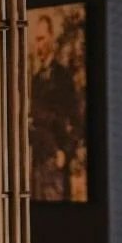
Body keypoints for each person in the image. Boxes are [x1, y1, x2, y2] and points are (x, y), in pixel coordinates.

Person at [30, 14, 78, 201]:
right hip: (38, 163)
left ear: (51, 38)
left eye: (41, 39)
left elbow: (76, 120)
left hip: (55, 162)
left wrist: (65, 153)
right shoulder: (35, 80)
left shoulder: (63, 77)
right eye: (36, 40)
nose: (38, 46)